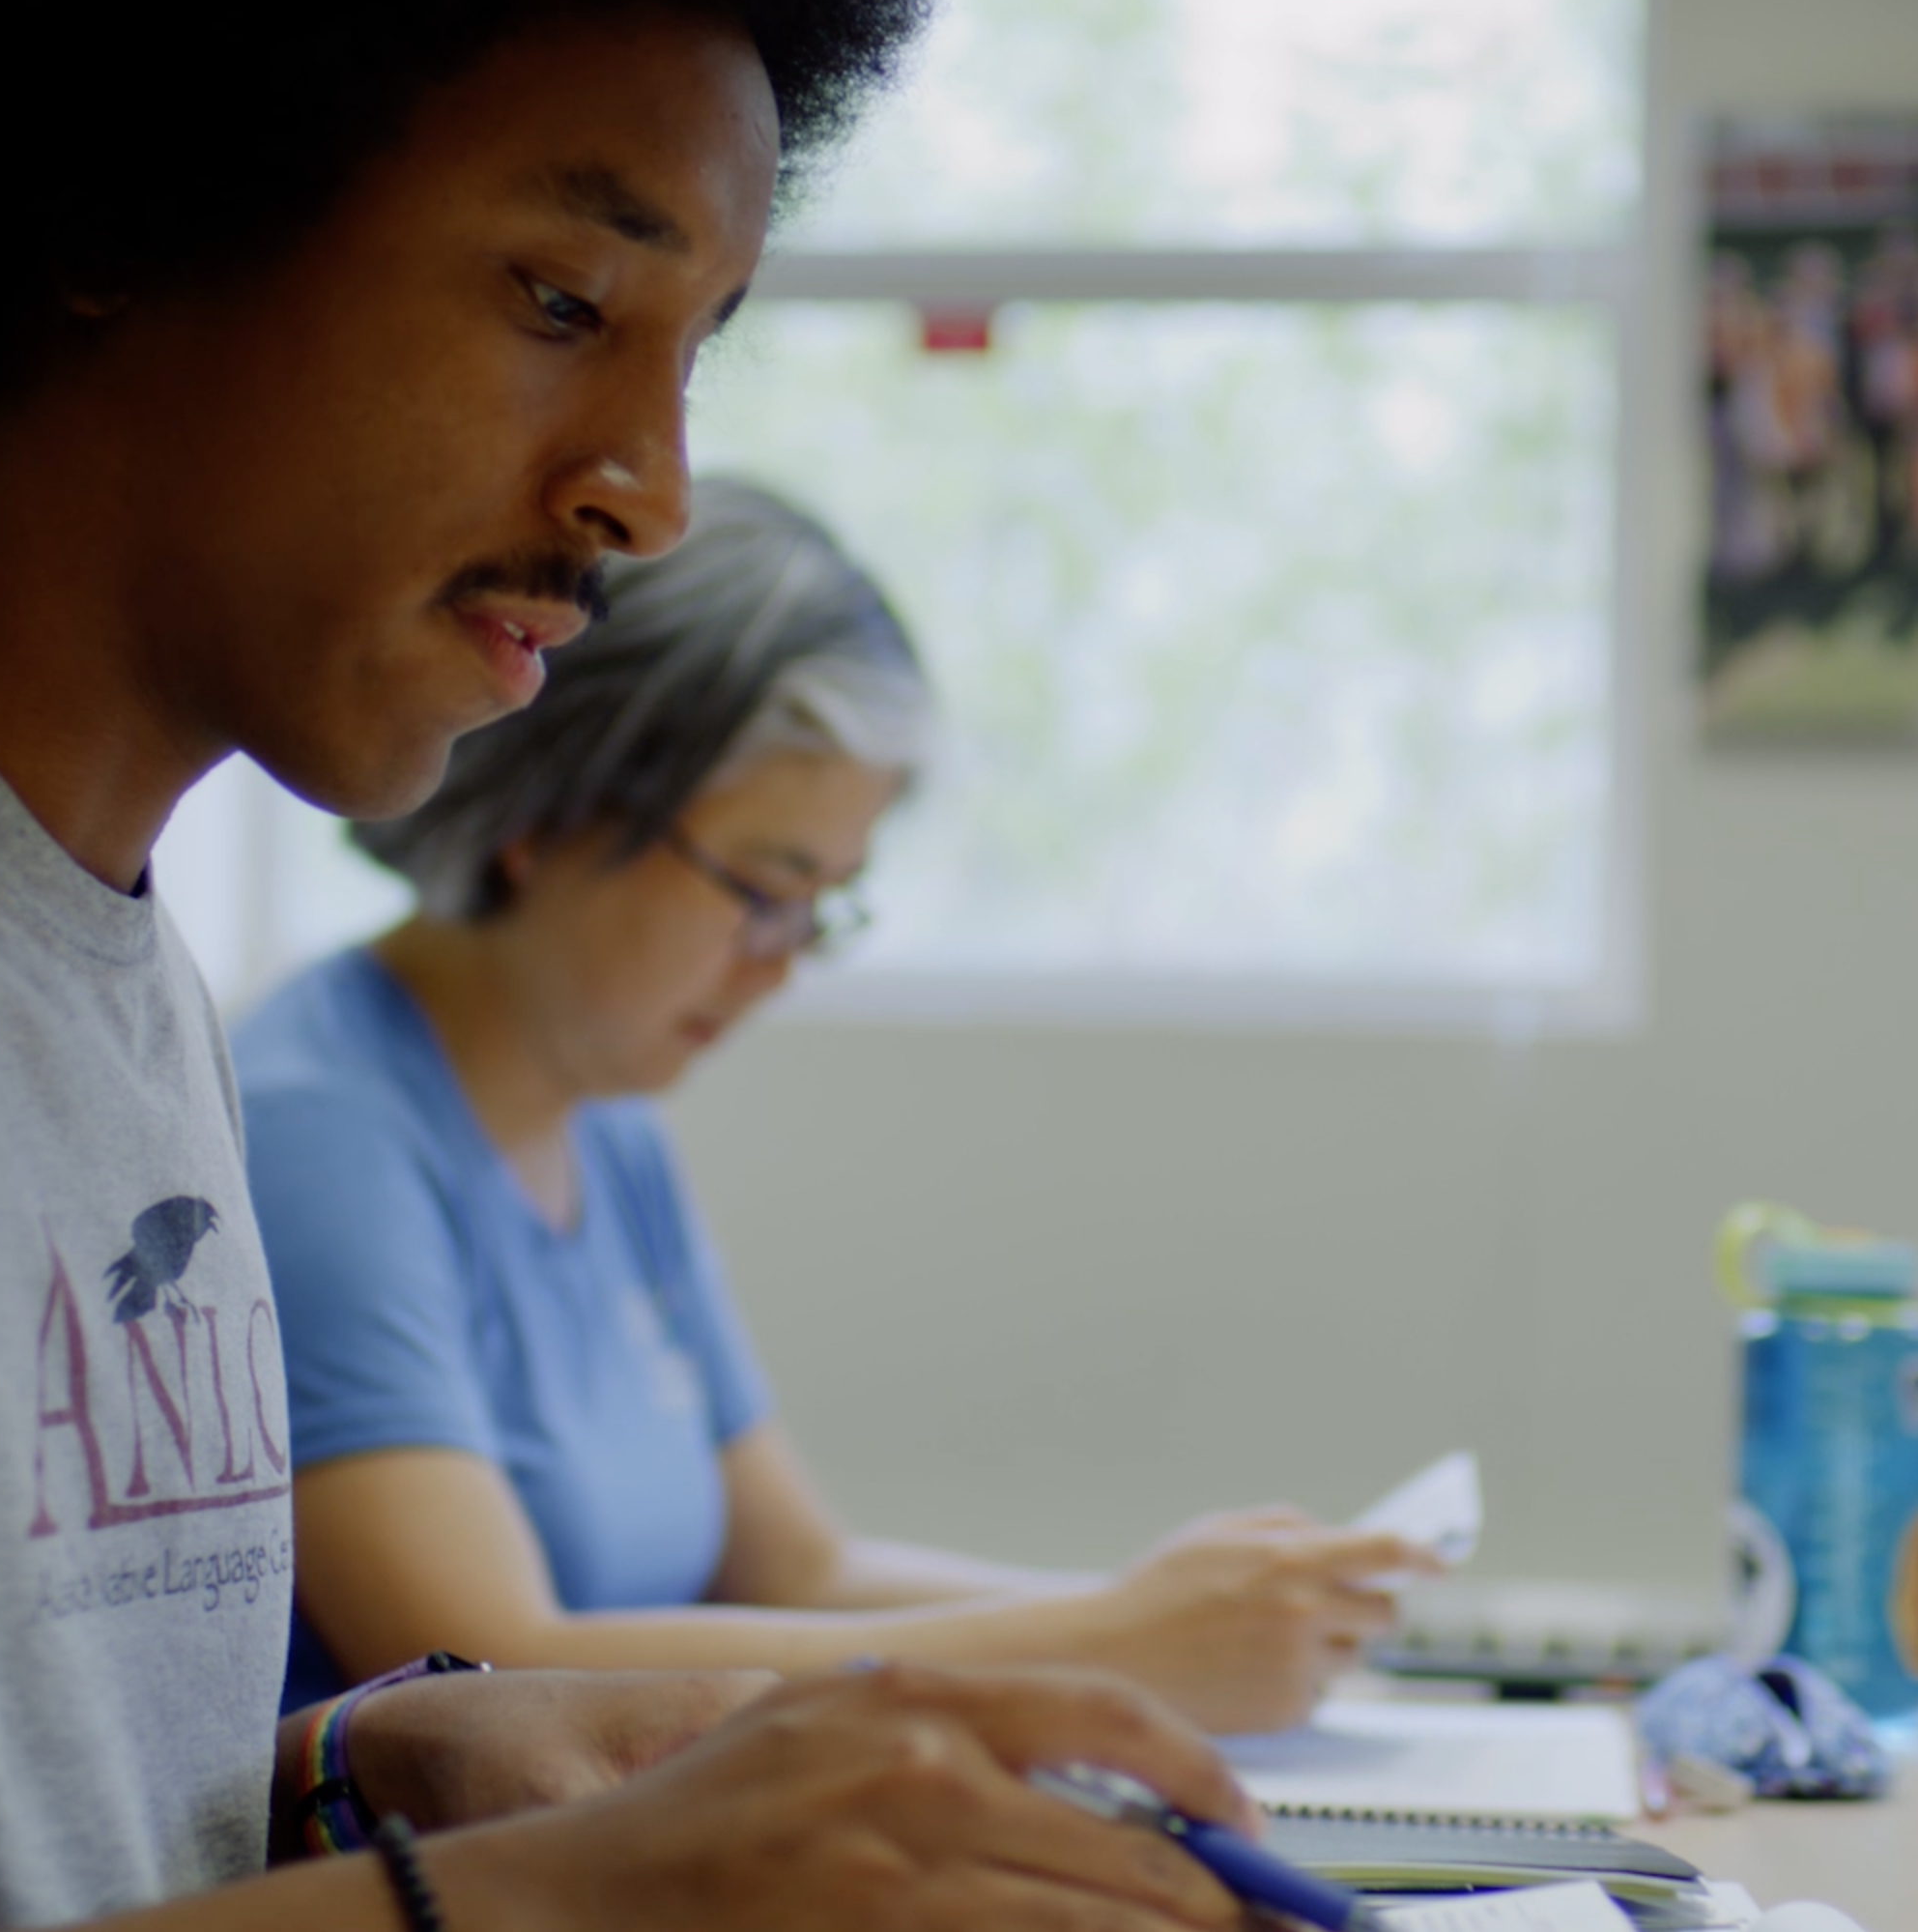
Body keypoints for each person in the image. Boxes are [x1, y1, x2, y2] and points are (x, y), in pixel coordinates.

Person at [0, 0, 1264, 1930]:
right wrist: (552, 1901)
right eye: (564, 301)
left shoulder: (108, 956)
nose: (645, 484)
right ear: (117, 191)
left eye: (692, 351)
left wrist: (355, 1774)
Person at [243, 479, 1431, 1732]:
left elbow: (795, 1573)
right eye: (763, 887)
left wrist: (1177, 1622)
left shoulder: (607, 1128)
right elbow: (485, 1676)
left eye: (826, 910)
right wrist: (1110, 1647)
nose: (784, 961)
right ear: (547, 810)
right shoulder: (318, 1135)